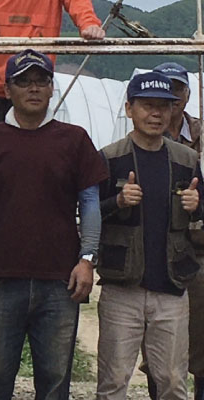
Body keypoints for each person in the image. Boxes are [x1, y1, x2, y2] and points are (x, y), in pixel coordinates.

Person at [0, 48, 107, 400]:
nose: (33, 88)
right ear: (7, 89)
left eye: (41, 81)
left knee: (55, 380)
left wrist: (87, 259)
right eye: (23, 81)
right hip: (0, 279)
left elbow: (90, 203)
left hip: (60, 281)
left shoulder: (74, 139)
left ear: (51, 87)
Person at [97, 70, 204, 400]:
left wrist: (196, 205)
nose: (156, 113)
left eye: (164, 106)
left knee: (173, 382)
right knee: (114, 382)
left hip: (171, 288)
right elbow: (88, 214)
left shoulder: (187, 159)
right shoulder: (109, 158)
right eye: (147, 105)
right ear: (129, 109)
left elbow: (200, 214)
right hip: (121, 288)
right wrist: (117, 200)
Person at [144, 62, 204, 400]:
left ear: (187, 94)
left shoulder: (200, 135)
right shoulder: (144, 134)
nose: (173, 97)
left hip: (198, 245)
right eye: (166, 89)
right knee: (157, 341)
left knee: (201, 338)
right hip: (158, 244)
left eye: (178, 89)